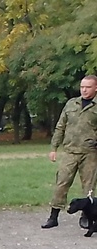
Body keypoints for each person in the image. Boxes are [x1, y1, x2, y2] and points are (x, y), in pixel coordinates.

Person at [41, 75, 97, 229]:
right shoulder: (71, 103)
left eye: (88, 87)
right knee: (62, 182)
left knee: (89, 186)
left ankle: (87, 216)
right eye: (82, 87)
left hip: (90, 152)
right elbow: (61, 126)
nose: (84, 90)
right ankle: (53, 216)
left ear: (95, 88)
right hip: (70, 151)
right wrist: (54, 148)